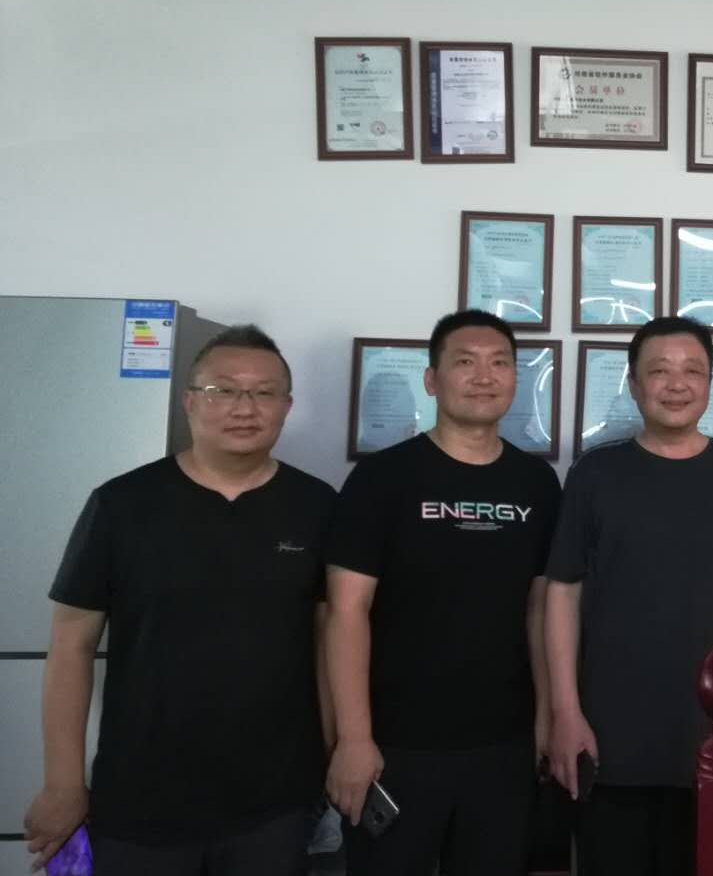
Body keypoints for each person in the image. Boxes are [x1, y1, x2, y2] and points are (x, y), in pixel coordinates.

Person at [23, 325, 334, 875]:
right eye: (223, 390)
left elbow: (331, 640)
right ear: (190, 401)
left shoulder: (318, 506)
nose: (244, 407)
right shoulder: (122, 504)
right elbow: (71, 646)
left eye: (264, 393)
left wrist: (334, 754)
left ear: (287, 406)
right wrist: (63, 783)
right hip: (141, 798)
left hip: (275, 801)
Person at [545, 316, 713, 876]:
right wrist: (565, 710)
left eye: (692, 371)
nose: (676, 384)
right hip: (610, 734)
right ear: (634, 384)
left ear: (709, 384)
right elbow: (562, 592)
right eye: (659, 371)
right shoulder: (594, 474)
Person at [325, 309, 560, 875]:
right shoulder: (381, 478)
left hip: (503, 743)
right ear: (432, 380)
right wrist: (353, 739)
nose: (484, 376)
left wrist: (546, 715)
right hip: (396, 745)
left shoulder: (537, 483)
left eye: (499, 363)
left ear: (515, 378)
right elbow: (346, 612)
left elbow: (539, 610)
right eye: (465, 362)